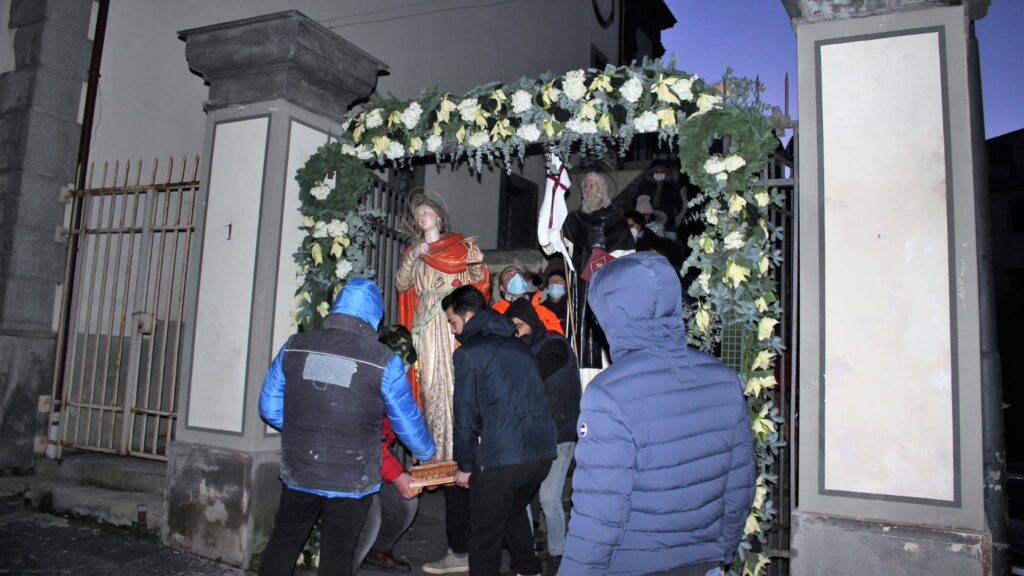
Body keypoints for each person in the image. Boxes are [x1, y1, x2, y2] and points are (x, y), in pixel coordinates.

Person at [561, 253, 756, 576]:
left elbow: (600, 513)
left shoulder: (610, 393)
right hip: (704, 562)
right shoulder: (722, 379)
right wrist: (721, 552)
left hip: (634, 564)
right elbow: (739, 487)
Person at [258, 278, 435, 576]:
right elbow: (406, 419)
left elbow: (269, 407)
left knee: (285, 540)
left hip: (301, 467)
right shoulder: (383, 361)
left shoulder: (295, 346)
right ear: (374, 316)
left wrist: (306, 430)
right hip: (351, 476)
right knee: (338, 552)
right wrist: (425, 450)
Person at [443, 285, 557, 576]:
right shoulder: (518, 345)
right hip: (541, 451)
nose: (453, 331)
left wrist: (465, 464)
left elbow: (465, 412)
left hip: (503, 454)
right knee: (511, 513)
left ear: (467, 316)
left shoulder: (468, 353)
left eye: (453, 322)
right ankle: (528, 569)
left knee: (483, 537)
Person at [395, 192, 490, 462]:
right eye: (417, 215)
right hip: (426, 323)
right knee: (429, 384)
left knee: (456, 379)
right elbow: (402, 285)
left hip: (452, 320)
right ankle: (433, 454)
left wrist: (475, 263)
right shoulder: (414, 252)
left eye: (426, 212)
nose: (421, 217)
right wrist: (413, 257)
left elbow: (477, 284)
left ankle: (460, 450)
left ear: (438, 217)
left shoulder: (458, 247)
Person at [505, 299, 581, 576]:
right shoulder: (520, 347)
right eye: (510, 327)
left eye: (519, 325)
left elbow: (533, 373)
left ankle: (559, 553)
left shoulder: (554, 343)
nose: (515, 331)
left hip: (560, 433)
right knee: (522, 499)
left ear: (531, 322)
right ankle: (528, 551)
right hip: (532, 435)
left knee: (549, 497)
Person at [352, 325, 424, 575]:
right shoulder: (362, 385)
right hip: (354, 464)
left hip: (376, 458)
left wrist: (419, 449)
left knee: (406, 503)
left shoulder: (394, 383)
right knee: (369, 522)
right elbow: (365, 440)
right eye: (400, 364)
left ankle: (378, 551)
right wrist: (397, 474)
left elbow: (404, 420)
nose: (404, 371)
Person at [561, 171, 635, 369]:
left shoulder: (616, 220)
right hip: (579, 288)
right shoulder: (573, 220)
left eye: (593, 185)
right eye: (585, 186)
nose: (588, 189)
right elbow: (560, 247)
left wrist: (601, 269)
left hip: (605, 287)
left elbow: (626, 255)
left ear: (602, 189)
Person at [492, 265, 564, 335]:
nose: (516, 276)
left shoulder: (546, 313)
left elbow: (559, 342)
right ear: (502, 288)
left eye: (518, 273)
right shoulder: (496, 313)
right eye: (509, 275)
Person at [634, 158, 683, 234]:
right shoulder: (645, 184)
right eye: (657, 171)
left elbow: (678, 200)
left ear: (666, 172)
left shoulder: (672, 185)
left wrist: (676, 209)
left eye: (662, 171)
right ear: (652, 171)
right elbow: (636, 198)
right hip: (647, 215)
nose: (659, 173)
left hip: (666, 215)